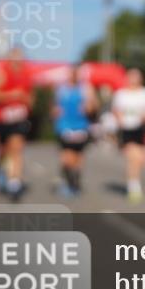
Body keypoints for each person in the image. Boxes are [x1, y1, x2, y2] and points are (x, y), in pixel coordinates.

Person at [0, 48, 33, 201]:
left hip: (18, 120)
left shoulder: (27, 75)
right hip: (2, 120)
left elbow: (31, 99)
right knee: (3, 152)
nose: (17, 61)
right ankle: (1, 169)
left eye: (20, 58)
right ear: (9, 59)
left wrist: (25, 100)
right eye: (14, 57)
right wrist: (11, 95)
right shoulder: (1, 74)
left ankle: (14, 183)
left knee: (16, 148)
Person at [111, 68, 145, 204]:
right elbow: (115, 110)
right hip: (126, 130)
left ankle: (133, 180)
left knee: (141, 160)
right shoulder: (121, 94)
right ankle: (134, 187)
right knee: (133, 157)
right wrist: (119, 119)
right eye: (131, 76)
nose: (133, 79)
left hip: (142, 129)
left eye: (136, 76)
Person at [52, 67, 97, 197]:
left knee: (78, 157)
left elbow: (93, 107)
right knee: (66, 158)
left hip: (81, 127)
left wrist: (89, 106)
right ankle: (70, 181)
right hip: (64, 126)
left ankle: (75, 180)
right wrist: (55, 112)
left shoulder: (86, 89)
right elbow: (54, 107)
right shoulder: (61, 89)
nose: (74, 76)